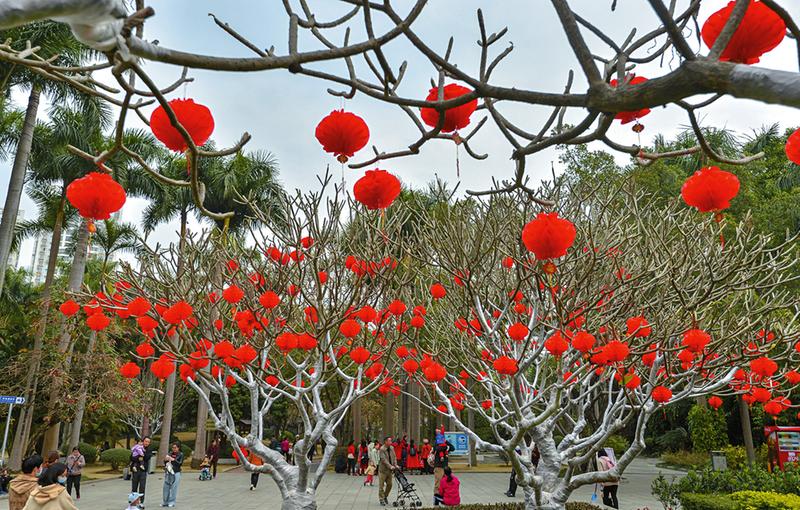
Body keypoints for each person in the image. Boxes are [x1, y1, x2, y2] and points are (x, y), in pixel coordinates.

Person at [432, 428, 455, 499]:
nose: (440, 432)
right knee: (438, 483)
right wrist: (446, 447)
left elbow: (453, 448)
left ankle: (445, 496)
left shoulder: (445, 442)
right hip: (438, 466)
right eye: (438, 432)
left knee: (446, 483)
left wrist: (447, 444)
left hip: (445, 466)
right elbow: (437, 449)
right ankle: (436, 499)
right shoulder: (436, 442)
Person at [131, 436, 151, 508]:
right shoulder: (137, 447)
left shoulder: (148, 450)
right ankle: (133, 502)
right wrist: (139, 456)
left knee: (142, 487)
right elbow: (132, 457)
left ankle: (141, 502)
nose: (147, 443)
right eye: (146, 441)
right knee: (134, 487)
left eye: (148, 442)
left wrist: (141, 455)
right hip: (135, 470)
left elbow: (147, 458)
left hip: (143, 471)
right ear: (143, 441)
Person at [378, 437, 399, 507]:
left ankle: (385, 496)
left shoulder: (392, 448)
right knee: (381, 486)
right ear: (385, 442)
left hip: (390, 471)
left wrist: (395, 465)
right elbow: (384, 460)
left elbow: (394, 457)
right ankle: (381, 499)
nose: (391, 442)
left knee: (390, 485)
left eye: (391, 441)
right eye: (389, 441)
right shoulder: (382, 449)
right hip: (383, 470)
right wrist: (390, 466)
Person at [161, 443, 183, 508]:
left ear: (178, 448)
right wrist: (165, 460)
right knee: (166, 487)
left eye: (175, 447)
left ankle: (172, 502)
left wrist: (173, 459)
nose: (174, 449)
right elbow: (165, 462)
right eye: (173, 447)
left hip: (176, 472)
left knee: (174, 488)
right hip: (168, 472)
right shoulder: (170, 453)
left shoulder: (180, 454)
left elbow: (179, 464)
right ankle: (165, 502)